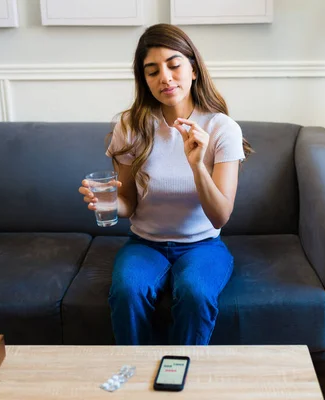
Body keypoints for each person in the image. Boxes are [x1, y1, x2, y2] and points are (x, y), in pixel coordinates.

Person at [78, 23, 253, 346]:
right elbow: (128, 203)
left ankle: (180, 376)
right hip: (146, 244)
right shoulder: (130, 126)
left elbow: (220, 217)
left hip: (203, 245)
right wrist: (107, 202)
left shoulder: (221, 128)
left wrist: (197, 165)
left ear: (194, 69)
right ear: (144, 80)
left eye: (174, 65)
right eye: (152, 71)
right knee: (128, 291)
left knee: (195, 293)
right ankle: (132, 375)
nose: (166, 78)